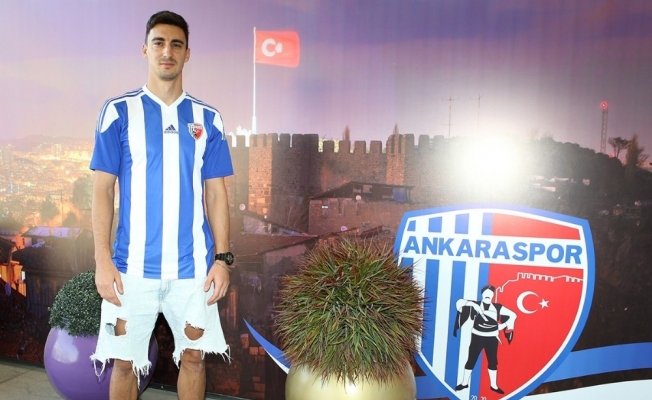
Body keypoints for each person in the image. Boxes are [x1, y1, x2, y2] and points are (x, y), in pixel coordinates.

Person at [89, 10, 234, 400]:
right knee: (125, 363)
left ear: (187, 53)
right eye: (159, 43)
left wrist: (223, 260)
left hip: (193, 271)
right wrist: (102, 260)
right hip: (130, 270)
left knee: (194, 358)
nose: (167, 52)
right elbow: (102, 191)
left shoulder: (208, 118)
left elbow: (217, 194)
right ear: (145, 50)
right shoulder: (118, 111)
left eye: (176, 44)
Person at [452, 285, 516, 395]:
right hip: (477, 336)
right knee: (471, 359)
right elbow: (459, 304)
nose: (488, 295)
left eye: (490, 293)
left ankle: (494, 385)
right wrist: (472, 304)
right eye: (486, 293)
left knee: (492, 361)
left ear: (493, 295)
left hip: (492, 337)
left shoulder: (497, 307)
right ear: (482, 294)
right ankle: (464, 383)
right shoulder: (475, 304)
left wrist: (504, 325)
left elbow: (513, 315)